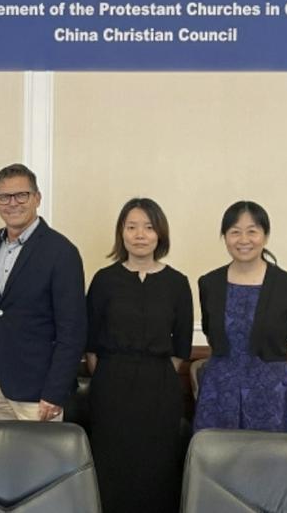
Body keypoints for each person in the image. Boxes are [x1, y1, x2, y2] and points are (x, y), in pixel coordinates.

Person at [85, 198, 193, 513]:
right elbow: (91, 345)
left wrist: (151, 371)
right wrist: (113, 373)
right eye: (131, 227)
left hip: (160, 387)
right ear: (121, 233)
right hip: (111, 386)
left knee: (158, 468)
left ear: (160, 234)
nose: (140, 235)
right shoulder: (104, 280)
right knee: (111, 465)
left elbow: (181, 348)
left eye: (148, 227)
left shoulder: (177, 283)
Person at [194, 200, 287, 433]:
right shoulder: (209, 283)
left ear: (265, 236)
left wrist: (281, 380)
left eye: (252, 231)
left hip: (272, 396)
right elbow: (211, 332)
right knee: (220, 462)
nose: (243, 240)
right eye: (234, 232)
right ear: (225, 237)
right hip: (220, 392)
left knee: (270, 464)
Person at [0, 163, 86, 421]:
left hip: (40, 393)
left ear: (37, 198)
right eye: (4, 197)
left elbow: (72, 330)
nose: (12, 203)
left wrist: (54, 392)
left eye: (21, 195)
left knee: (40, 462)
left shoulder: (61, 252)